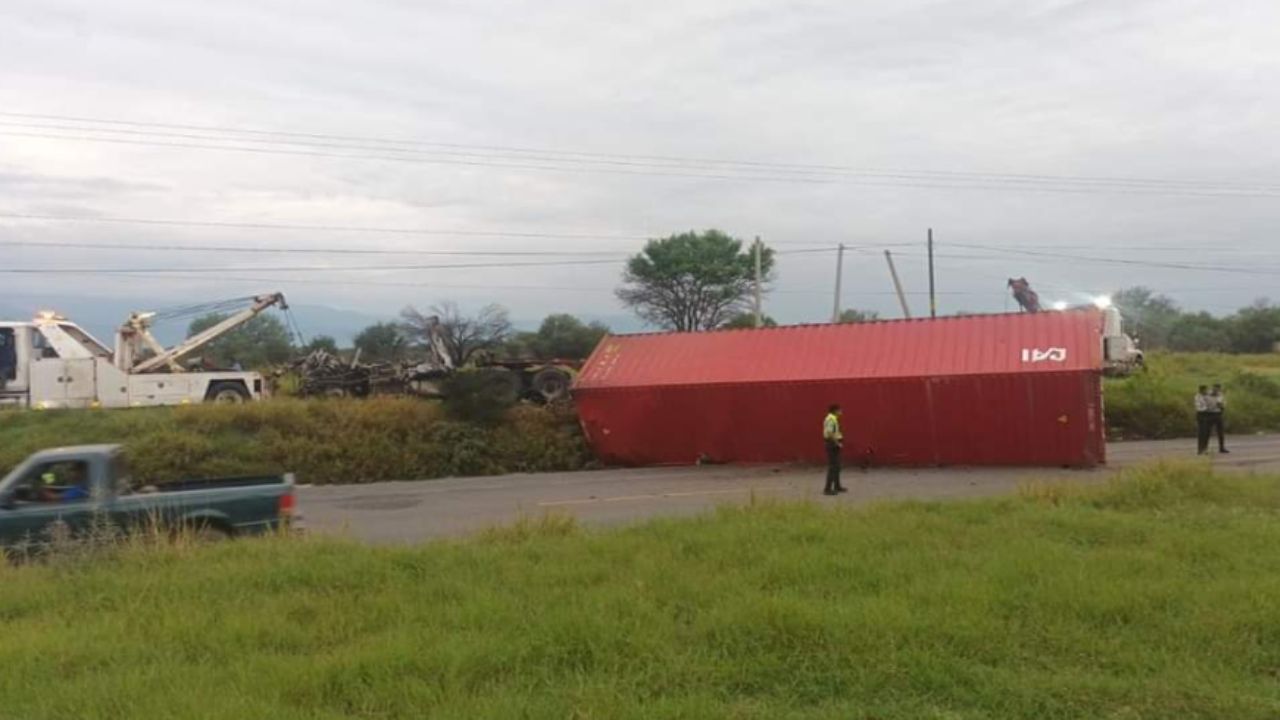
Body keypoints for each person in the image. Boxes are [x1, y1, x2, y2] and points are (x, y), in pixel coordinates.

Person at [823, 404, 847, 496]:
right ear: (835, 410)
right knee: (833, 467)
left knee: (837, 466)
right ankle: (827, 489)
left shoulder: (832, 418)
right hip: (832, 444)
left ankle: (837, 486)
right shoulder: (831, 419)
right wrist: (837, 443)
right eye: (840, 410)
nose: (841, 412)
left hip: (832, 443)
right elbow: (829, 433)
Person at [1208, 383, 1229, 454]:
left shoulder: (1220, 395)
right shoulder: (1208, 395)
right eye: (1214, 389)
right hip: (1209, 414)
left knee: (1221, 432)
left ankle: (1222, 448)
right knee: (1207, 432)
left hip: (1218, 414)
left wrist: (1221, 407)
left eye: (1217, 389)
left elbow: (1223, 405)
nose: (1215, 390)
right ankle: (1203, 448)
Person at [1194, 385, 1213, 455]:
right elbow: (1198, 406)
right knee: (1201, 432)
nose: (1206, 391)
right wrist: (1206, 408)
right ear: (1201, 390)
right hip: (1201, 414)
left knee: (1207, 432)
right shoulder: (1197, 397)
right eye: (1205, 390)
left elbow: (1211, 403)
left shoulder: (1207, 396)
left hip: (1208, 414)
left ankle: (1205, 448)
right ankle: (1200, 449)